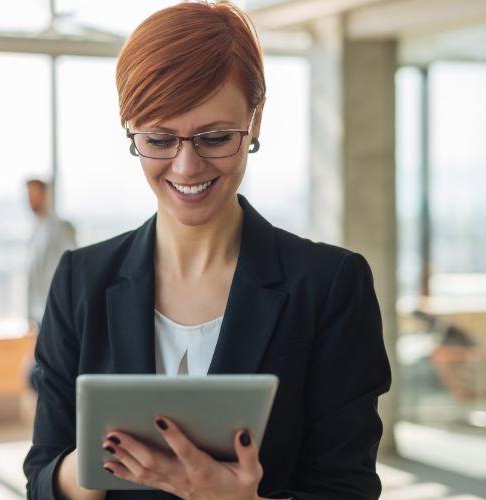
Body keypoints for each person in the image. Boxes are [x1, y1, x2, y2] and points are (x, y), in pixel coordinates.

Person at [23, 2, 391, 499]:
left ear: (254, 121)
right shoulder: (80, 280)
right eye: (158, 138)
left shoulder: (328, 286)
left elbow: (347, 488)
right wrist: (93, 468)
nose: (186, 166)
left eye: (215, 137)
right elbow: (41, 477)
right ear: (131, 129)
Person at [26, 178, 77, 332]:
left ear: (46, 195)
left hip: (57, 311)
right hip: (39, 313)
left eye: (35, 194)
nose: (31, 200)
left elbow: (71, 269)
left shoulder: (62, 227)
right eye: (28, 196)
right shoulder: (36, 231)